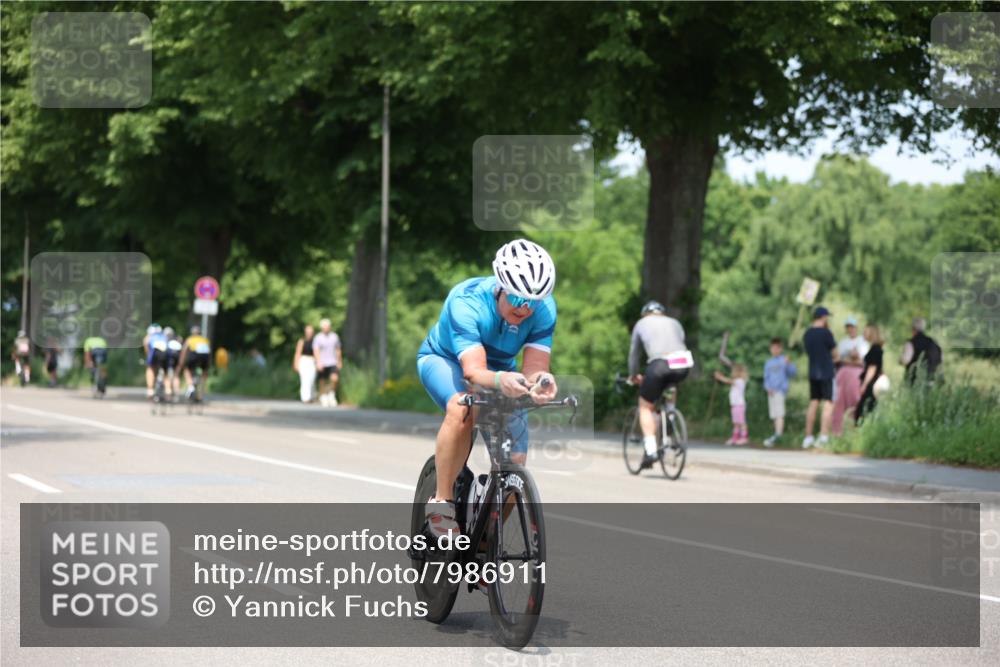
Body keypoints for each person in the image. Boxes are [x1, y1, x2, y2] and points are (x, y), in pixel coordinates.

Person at [417, 238, 558, 538]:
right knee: (463, 406)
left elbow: (534, 367)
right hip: (447, 360)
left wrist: (540, 382)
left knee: (515, 462)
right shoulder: (466, 301)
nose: (526, 309)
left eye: (534, 302)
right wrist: (500, 380)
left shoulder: (544, 309)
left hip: (500, 371)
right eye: (518, 299)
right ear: (500, 287)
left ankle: (484, 541)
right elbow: (473, 372)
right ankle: (441, 502)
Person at [628, 300, 692, 468]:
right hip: (682, 363)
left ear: (645, 313)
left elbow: (634, 354)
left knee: (645, 406)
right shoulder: (675, 322)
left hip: (660, 364)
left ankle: (651, 451)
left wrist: (634, 374)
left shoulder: (641, 323)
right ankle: (670, 415)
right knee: (670, 384)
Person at [802, 306, 839, 448]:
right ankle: (823, 436)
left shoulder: (807, 334)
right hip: (827, 372)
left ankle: (808, 437)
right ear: (823, 317)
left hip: (813, 372)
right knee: (828, 403)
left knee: (813, 402)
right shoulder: (826, 333)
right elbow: (835, 354)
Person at [762, 338, 797, 447]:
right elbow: (766, 378)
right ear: (770, 349)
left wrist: (789, 364)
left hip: (780, 391)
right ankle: (776, 435)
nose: (775, 350)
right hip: (771, 392)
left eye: (777, 348)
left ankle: (778, 435)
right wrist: (768, 388)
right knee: (774, 415)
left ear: (781, 349)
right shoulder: (768, 363)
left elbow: (793, 373)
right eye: (773, 348)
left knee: (779, 414)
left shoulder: (784, 360)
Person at [856, 324, 885, 425]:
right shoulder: (876, 349)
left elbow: (872, 368)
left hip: (871, 384)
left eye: (866, 331)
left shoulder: (875, 349)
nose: (863, 333)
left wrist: (864, 384)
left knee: (862, 411)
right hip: (873, 383)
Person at [714, 364, 749, 446]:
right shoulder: (737, 381)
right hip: (735, 405)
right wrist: (720, 377)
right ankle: (735, 438)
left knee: (741, 422)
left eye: (734, 371)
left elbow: (728, 381)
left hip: (739, 405)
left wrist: (720, 377)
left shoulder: (740, 381)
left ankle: (744, 438)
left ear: (738, 372)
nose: (732, 373)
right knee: (736, 422)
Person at [901, 317, 942, 386]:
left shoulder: (910, 343)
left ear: (913, 329)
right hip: (932, 382)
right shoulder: (934, 343)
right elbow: (940, 360)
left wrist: (900, 361)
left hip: (914, 382)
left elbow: (905, 360)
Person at [831, 348, 863, 436]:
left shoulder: (842, 371)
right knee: (856, 413)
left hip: (843, 394)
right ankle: (856, 433)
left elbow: (837, 385)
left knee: (838, 410)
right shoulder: (862, 370)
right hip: (857, 395)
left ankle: (837, 433)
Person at [314, 318, 343, 406]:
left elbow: (338, 349)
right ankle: (323, 396)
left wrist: (339, 361)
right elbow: (316, 350)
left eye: (327, 326)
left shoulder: (334, 336)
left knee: (334, 378)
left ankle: (331, 394)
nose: (326, 328)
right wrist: (318, 362)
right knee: (322, 381)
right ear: (322, 328)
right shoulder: (318, 337)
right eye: (324, 327)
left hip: (332, 362)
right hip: (322, 362)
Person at [179, 325, 212, 398]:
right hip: (205, 356)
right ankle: (201, 392)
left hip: (194, 355)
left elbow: (184, 350)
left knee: (187, 369)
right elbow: (209, 352)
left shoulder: (190, 339)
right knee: (204, 372)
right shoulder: (205, 340)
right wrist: (208, 363)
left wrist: (182, 361)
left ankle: (191, 386)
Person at [293, 324, 317, 403]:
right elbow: (298, 353)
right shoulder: (302, 341)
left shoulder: (316, 341)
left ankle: (312, 396)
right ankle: (305, 398)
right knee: (304, 379)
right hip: (303, 361)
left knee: (312, 379)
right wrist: (296, 363)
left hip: (312, 361)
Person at [143, 324, 168, 398]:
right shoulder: (164, 336)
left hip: (154, 354)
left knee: (150, 368)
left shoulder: (149, 337)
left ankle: (150, 389)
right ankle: (168, 389)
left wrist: (148, 355)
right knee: (165, 370)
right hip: (165, 355)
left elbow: (146, 344)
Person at [163, 326, 184, 397]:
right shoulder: (177, 340)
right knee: (176, 376)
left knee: (167, 375)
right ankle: (177, 392)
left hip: (170, 358)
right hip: (178, 357)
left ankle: (168, 391)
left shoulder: (165, 341)